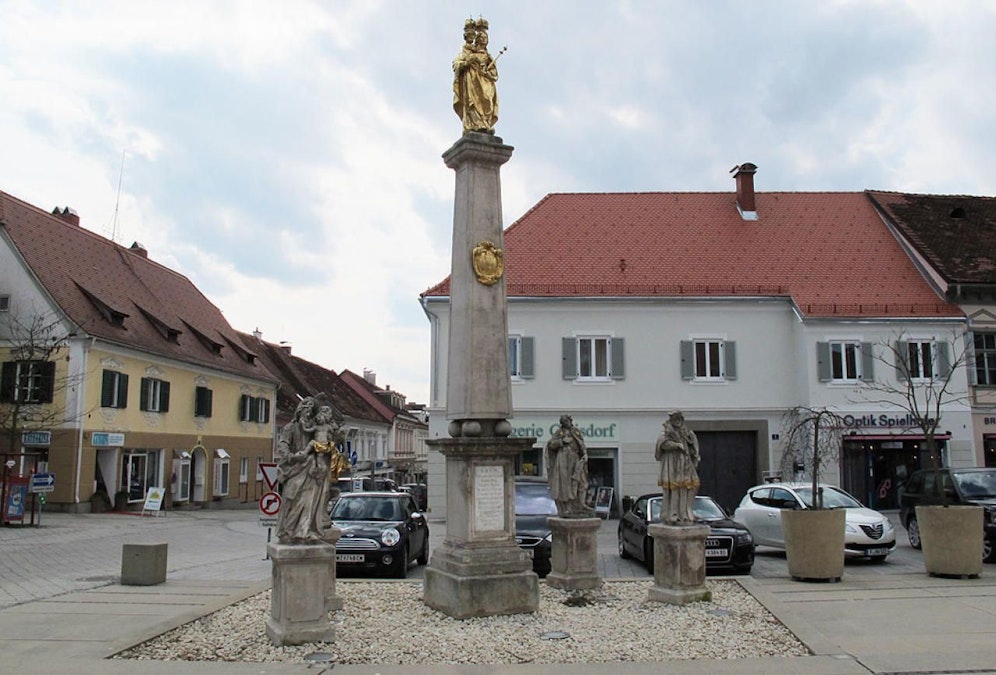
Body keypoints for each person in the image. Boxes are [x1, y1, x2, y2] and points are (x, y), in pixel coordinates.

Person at [275, 397, 334, 544]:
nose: (308, 414)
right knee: (291, 497)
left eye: (310, 411)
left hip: (310, 468)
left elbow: (324, 440)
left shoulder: (314, 427)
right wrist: (291, 456)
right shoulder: (291, 427)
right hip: (294, 467)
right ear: (300, 411)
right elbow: (283, 444)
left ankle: (303, 531)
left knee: (308, 500)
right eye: (306, 411)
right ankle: (286, 530)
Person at [452, 17, 499, 134]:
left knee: (487, 99)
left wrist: (486, 73)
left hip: (485, 82)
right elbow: (456, 64)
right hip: (471, 82)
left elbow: (494, 74)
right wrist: (467, 62)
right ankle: (475, 124)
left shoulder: (487, 56)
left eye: (485, 38)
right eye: (480, 38)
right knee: (472, 102)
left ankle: (486, 122)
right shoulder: (466, 52)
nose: (482, 40)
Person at [655, 411, 701, 524]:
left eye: (679, 419)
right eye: (675, 419)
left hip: (685, 463)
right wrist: (676, 445)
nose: (678, 421)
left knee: (691, 486)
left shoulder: (686, 432)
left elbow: (692, 446)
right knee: (674, 489)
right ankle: (672, 514)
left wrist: (695, 453)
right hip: (672, 464)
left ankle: (685, 512)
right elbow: (662, 444)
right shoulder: (667, 432)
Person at [545, 414, 593, 517]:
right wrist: (562, 441)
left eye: (566, 421)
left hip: (575, 457)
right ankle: (568, 508)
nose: (566, 424)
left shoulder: (576, 431)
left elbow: (581, 443)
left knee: (581, 480)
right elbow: (551, 445)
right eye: (563, 422)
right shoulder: (559, 432)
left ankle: (581, 504)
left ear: (570, 421)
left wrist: (585, 454)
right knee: (565, 483)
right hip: (563, 458)